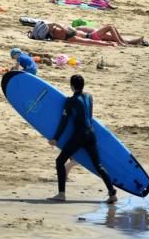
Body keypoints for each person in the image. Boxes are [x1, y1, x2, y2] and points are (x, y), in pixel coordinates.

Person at [47, 74, 117, 204]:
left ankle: (61, 194)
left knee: (60, 161)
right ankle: (112, 193)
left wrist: (55, 138)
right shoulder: (89, 96)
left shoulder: (70, 101)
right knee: (98, 165)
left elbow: (64, 121)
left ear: (72, 86)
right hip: (91, 134)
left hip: (79, 136)